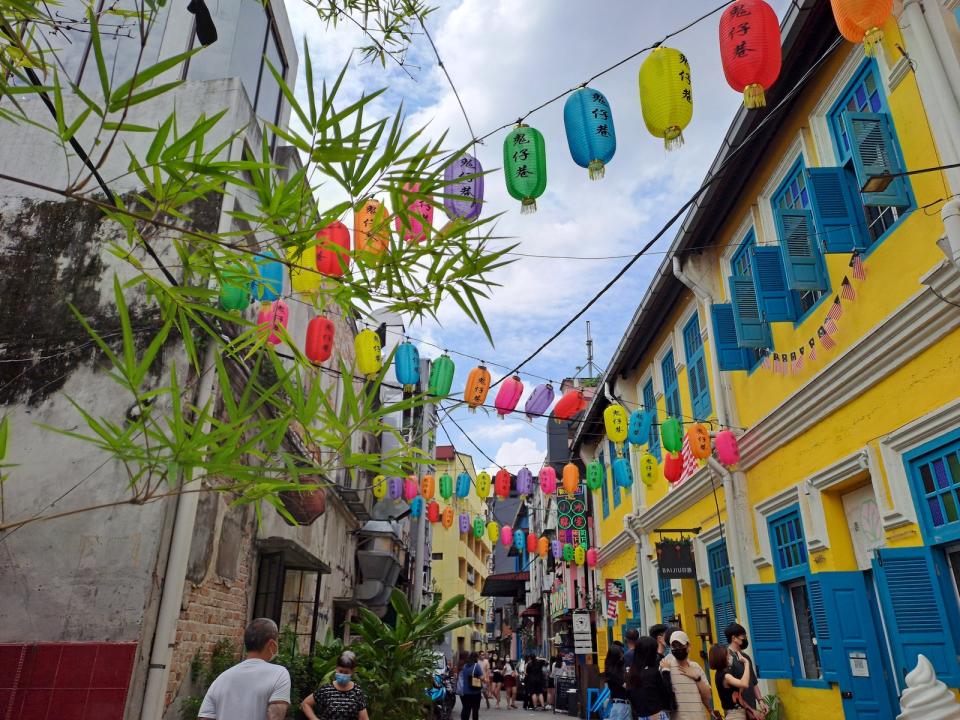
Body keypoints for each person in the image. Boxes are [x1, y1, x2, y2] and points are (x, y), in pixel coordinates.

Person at [198, 618, 290, 720]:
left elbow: (205, 718)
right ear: (272, 644)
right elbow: (275, 717)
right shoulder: (279, 674)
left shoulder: (221, 679)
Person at [661, 631, 713, 720]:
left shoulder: (696, 667)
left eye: (680, 645)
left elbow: (707, 696)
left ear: (688, 647)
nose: (677, 648)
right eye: (674, 646)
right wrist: (665, 671)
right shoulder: (666, 668)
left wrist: (697, 678)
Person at [300, 651, 368, 720]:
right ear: (336, 669)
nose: (343, 674)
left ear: (353, 671)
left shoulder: (357, 691)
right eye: (340, 671)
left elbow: (363, 717)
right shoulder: (326, 690)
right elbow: (306, 704)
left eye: (346, 672)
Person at [627, 636, 675, 720]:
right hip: (657, 715)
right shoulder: (653, 673)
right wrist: (666, 672)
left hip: (641, 716)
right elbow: (667, 694)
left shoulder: (631, 673)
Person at [709, 644, 752, 720]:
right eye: (728, 655)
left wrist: (750, 710)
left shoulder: (718, 674)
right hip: (735, 715)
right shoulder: (726, 676)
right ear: (722, 657)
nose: (730, 657)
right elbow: (744, 684)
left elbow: (738, 693)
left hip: (734, 713)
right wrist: (746, 663)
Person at [603, 644, 632, 720]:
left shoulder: (613, 670)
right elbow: (627, 686)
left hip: (620, 705)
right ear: (615, 657)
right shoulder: (614, 672)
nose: (622, 657)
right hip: (621, 705)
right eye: (620, 655)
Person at [457, 652, 484, 720]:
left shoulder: (464, 666)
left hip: (464, 692)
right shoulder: (476, 666)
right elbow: (482, 678)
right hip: (475, 692)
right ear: (476, 658)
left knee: (466, 709)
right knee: (475, 710)